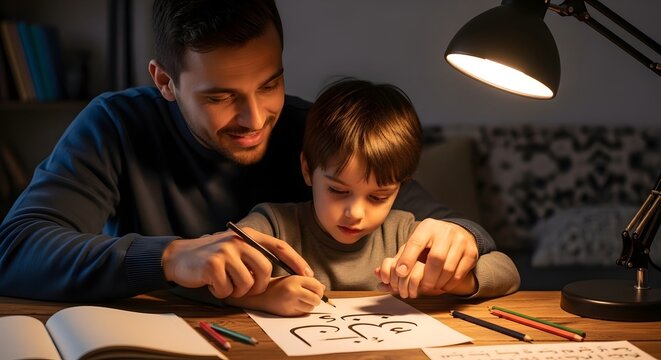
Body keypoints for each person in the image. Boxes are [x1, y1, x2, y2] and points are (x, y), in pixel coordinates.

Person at [0, 0, 496, 302]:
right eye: (220, 97)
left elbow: (456, 230)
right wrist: (171, 257)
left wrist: (460, 238)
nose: (256, 120)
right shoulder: (116, 124)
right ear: (165, 81)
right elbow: (16, 250)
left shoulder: (314, 132)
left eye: (270, 83)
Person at [224, 79, 520, 316]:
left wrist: (451, 278)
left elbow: (508, 272)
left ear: (400, 190)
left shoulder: (404, 232)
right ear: (308, 170)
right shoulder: (274, 226)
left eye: (379, 196)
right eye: (338, 190)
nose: (355, 213)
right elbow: (196, 278)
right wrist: (263, 295)